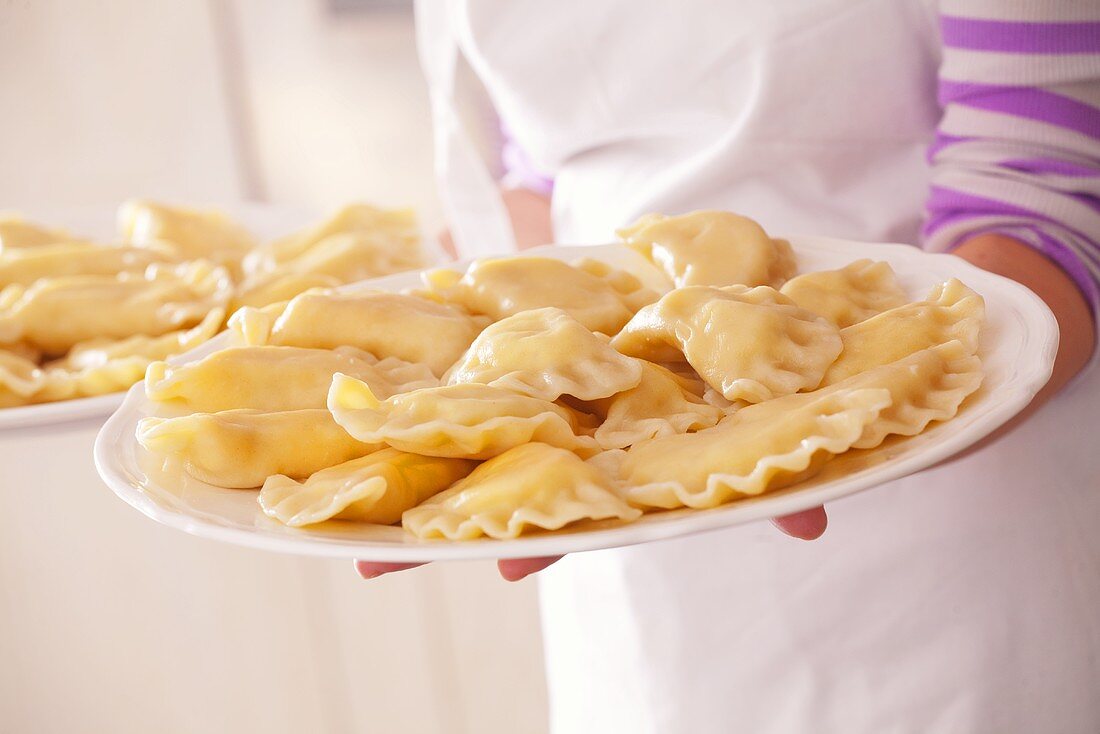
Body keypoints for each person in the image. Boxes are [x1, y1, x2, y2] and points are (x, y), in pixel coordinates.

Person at [361, 1, 1100, 731]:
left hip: (936, 554)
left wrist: (837, 422)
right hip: (614, 542)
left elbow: (1042, 190)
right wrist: (438, 358)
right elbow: (558, 168)